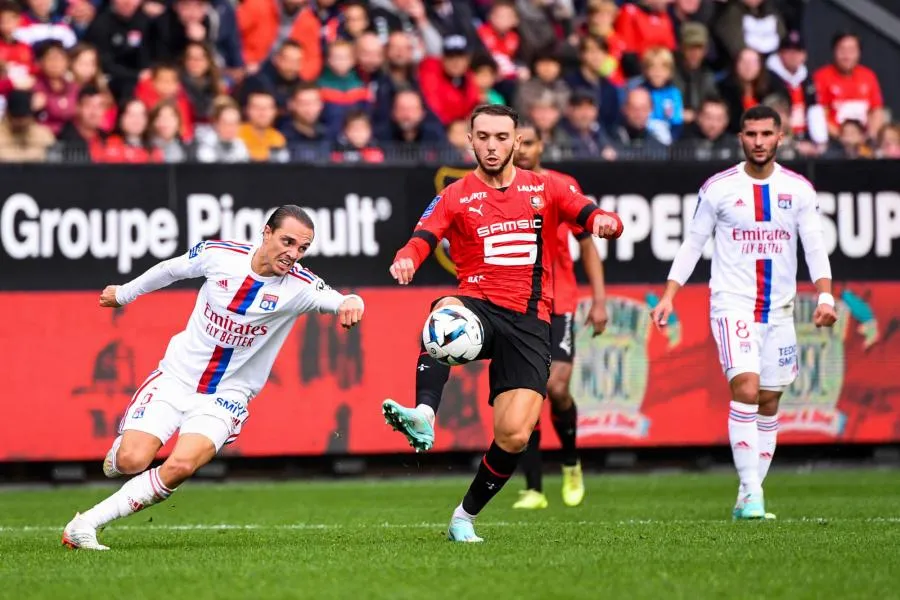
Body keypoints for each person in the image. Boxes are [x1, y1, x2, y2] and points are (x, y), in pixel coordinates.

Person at [382, 104, 623, 542]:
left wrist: (605, 221)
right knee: (442, 323)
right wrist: (406, 258)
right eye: (483, 137)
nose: (492, 146)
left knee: (514, 435)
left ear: (516, 141)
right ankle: (423, 413)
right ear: (469, 141)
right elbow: (423, 237)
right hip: (477, 305)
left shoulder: (545, 187)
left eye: (500, 137)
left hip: (531, 320)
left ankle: (463, 517)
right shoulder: (455, 194)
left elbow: (586, 211)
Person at [62, 206, 365, 550]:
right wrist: (125, 293)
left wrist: (352, 301)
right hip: (175, 377)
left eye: (302, 248)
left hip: (228, 394)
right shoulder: (219, 255)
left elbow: (337, 298)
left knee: (182, 464)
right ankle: (123, 453)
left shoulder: (300, 286)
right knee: (132, 460)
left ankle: (85, 524)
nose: (292, 254)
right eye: (287, 241)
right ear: (266, 232)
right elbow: (171, 270)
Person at [649, 105, 836, 521]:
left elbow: (815, 247)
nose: (758, 142)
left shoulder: (799, 190)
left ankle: (746, 494)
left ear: (779, 138)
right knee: (747, 389)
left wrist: (825, 297)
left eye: (766, 134)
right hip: (732, 304)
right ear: (741, 138)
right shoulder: (718, 188)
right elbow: (692, 244)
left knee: (769, 400)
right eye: (751, 134)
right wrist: (668, 296)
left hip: (781, 310)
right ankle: (753, 494)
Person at [511, 121, 609, 510]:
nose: (521, 150)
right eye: (515, 143)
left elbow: (587, 244)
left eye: (528, 143)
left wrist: (598, 301)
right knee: (526, 391)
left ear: (542, 146)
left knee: (556, 388)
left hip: (560, 299)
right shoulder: (495, 189)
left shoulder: (559, 186)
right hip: (517, 303)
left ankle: (571, 463)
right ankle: (534, 488)